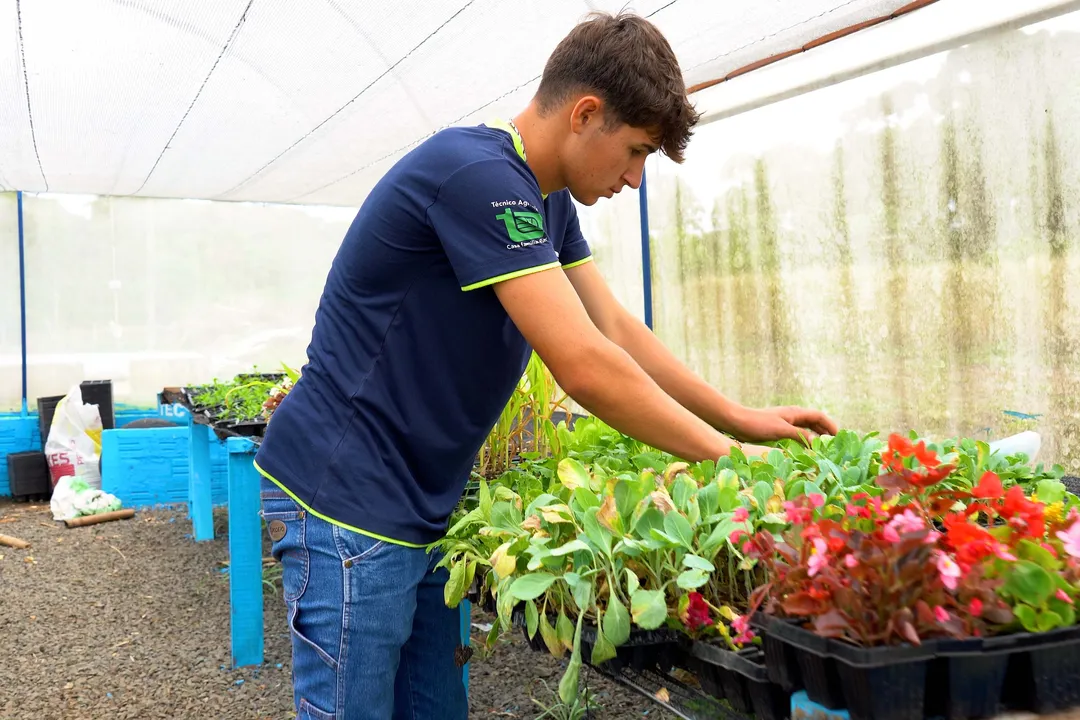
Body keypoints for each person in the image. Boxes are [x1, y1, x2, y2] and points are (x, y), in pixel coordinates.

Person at [254, 10, 838, 720]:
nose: (634, 176)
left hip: (417, 506)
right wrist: (733, 462)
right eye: (636, 150)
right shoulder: (474, 174)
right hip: (343, 500)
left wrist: (744, 421)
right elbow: (584, 367)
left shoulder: (546, 201)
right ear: (586, 113)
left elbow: (614, 328)